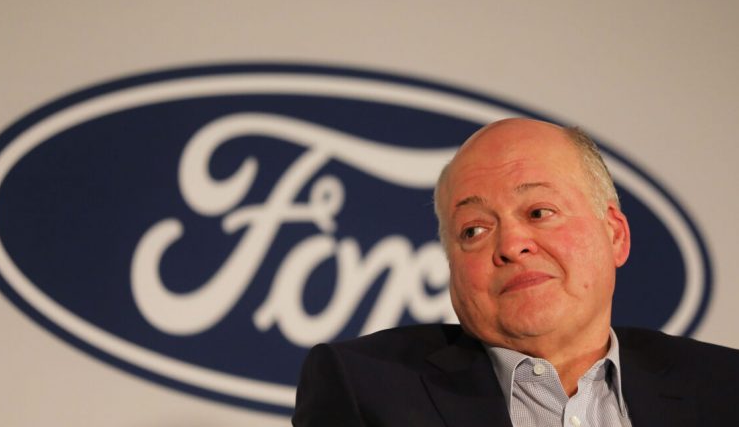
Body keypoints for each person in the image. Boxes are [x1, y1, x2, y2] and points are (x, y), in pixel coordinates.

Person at [292, 118, 739, 426]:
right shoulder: (365, 387)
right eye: (474, 230)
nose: (509, 245)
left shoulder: (723, 386)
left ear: (616, 235)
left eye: (540, 211)